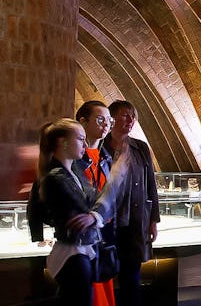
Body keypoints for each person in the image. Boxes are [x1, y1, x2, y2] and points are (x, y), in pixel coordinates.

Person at [34, 118, 119, 306]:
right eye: (81, 139)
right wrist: (96, 213)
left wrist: (94, 215)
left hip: (82, 250)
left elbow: (104, 202)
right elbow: (91, 205)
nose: (85, 144)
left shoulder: (75, 173)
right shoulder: (55, 178)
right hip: (72, 254)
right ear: (63, 143)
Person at [103, 100, 159, 306]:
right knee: (105, 274)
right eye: (125, 115)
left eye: (132, 116)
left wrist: (153, 219)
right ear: (112, 119)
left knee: (131, 278)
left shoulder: (141, 148)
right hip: (109, 222)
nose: (130, 120)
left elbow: (150, 186)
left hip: (135, 223)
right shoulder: (101, 147)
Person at [76, 100, 118, 306]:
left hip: (103, 234)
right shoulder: (73, 158)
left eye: (108, 121)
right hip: (83, 236)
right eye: (100, 120)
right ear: (83, 122)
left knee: (103, 282)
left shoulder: (105, 157)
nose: (105, 125)